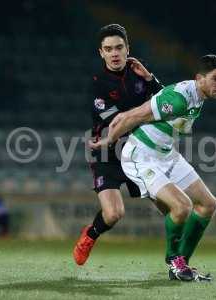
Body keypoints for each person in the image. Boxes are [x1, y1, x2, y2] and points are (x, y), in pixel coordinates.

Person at [90, 54, 216, 281]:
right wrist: (108, 140)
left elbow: (165, 102)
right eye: (215, 79)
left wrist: (152, 79)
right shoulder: (181, 98)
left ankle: (181, 264)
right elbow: (129, 116)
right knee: (182, 207)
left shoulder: (196, 94)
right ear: (199, 78)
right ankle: (174, 261)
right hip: (141, 156)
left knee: (208, 204)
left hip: (167, 155)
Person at [73, 24, 164, 266]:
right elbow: (118, 122)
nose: (114, 53)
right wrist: (147, 112)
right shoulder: (97, 84)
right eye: (108, 49)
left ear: (127, 49)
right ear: (100, 53)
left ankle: (178, 259)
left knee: (170, 206)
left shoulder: (139, 74)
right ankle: (90, 235)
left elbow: (168, 105)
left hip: (140, 152)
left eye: (119, 47)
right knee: (114, 214)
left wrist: (150, 79)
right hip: (107, 154)